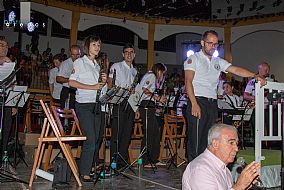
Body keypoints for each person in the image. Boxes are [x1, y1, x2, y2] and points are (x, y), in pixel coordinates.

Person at [184, 30, 266, 162]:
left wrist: (255, 75)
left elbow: (235, 69)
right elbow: (188, 81)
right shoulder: (193, 59)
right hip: (198, 100)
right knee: (196, 138)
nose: (213, 46)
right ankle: (193, 170)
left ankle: (205, 169)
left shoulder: (218, 61)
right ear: (202, 43)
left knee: (209, 138)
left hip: (212, 103)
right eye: (210, 43)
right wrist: (194, 103)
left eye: (216, 44)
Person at [69, 35, 107, 181]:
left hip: (97, 105)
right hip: (84, 105)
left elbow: (98, 88)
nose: (97, 47)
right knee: (90, 139)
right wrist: (92, 87)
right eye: (94, 44)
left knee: (97, 139)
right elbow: (71, 82)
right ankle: (83, 171)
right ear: (87, 46)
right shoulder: (79, 62)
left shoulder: (97, 65)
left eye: (99, 44)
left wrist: (102, 83)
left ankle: (90, 167)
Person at [182, 124, 261, 190]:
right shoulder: (201, 169)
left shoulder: (224, 169)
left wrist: (245, 186)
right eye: (231, 143)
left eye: (236, 143)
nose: (236, 149)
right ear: (215, 144)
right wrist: (240, 186)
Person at [108, 43, 138, 168]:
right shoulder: (116, 66)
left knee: (127, 134)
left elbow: (135, 91)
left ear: (134, 55)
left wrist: (136, 108)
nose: (129, 54)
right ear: (123, 54)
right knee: (117, 133)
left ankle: (123, 161)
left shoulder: (135, 71)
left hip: (130, 104)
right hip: (118, 102)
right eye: (126, 52)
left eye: (131, 52)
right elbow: (110, 84)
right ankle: (114, 161)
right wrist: (122, 89)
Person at [136, 63, 167, 167]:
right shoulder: (152, 76)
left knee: (155, 131)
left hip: (149, 105)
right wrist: (158, 98)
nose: (162, 75)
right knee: (150, 132)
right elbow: (145, 89)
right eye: (162, 72)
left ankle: (153, 158)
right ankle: (145, 160)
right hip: (146, 105)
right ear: (159, 70)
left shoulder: (151, 76)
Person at [0, 36, 17, 157]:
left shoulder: (10, 63)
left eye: (6, 45)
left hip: (6, 99)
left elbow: (13, 84)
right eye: (1, 45)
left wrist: (14, 103)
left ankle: (3, 153)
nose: (5, 48)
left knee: (6, 127)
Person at [56, 45, 81, 109]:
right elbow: (58, 78)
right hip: (67, 90)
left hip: (79, 91)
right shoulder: (65, 63)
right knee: (66, 112)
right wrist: (71, 80)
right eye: (73, 55)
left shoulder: (82, 63)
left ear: (80, 53)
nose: (75, 57)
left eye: (77, 55)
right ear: (70, 54)